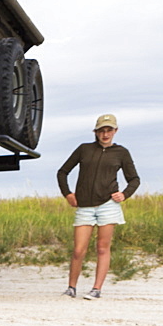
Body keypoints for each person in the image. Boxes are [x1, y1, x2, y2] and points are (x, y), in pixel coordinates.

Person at [57, 113, 140, 300]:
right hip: (85, 206)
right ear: (95, 132)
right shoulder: (84, 149)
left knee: (102, 248)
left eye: (109, 130)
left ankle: (96, 289)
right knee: (79, 250)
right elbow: (62, 172)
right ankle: (71, 288)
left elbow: (134, 179)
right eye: (101, 130)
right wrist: (68, 194)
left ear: (115, 131)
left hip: (108, 206)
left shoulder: (121, 153)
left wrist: (125, 194)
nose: (105, 134)